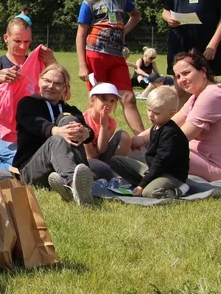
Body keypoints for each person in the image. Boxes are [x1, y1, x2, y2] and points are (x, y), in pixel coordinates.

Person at [75, 0, 144, 135]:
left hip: (117, 57)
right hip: (95, 56)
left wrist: (124, 32)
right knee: (100, 101)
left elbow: (135, 16)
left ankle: (145, 142)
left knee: (128, 97)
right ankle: (96, 143)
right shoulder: (89, 2)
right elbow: (81, 34)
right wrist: (83, 66)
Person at [129, 51, 221, 182]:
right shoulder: (197, 95)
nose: (181, 80)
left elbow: (180, 137)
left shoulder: (211, 95)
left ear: (203, 71)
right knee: (144, 149)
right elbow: (171, 123)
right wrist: (137, 139)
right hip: (196, 157)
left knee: (160, 151)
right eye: (177, 76)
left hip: (214, 166)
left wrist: (144, 141)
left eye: (186, 73)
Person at [13, 64, 97, 205]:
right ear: (39, 81)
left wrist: (85, 133)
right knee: (57, 140)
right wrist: (58, 131)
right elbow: (38, 125)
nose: (51, 86)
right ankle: (74, 184)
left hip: (57, 170)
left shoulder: (71, 110)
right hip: (30, 169)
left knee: (70, 121)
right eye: (47, 81)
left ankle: (66, 186)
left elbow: (89, 131)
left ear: (65, 88)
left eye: (58, 83)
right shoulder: (27, 104)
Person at [0, 17, 56, 170]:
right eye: (17, 41)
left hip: (34, 130)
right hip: (2, 135)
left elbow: (64, 96)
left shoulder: (38, 64)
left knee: (48, 161)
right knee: (26, 165)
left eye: (27, 42)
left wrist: (53, 63)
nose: (22, 47)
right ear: (6, 38)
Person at [110, 87, 191, 199]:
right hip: (154, 170)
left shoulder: (171, 133)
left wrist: (142, 185)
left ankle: (180, 189)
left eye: (156, 112)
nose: (150, 115)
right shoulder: (156, 126)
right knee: (116, 161)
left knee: (149, 193)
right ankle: (148, 183)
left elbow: (161, 162)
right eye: (149, 110)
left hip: (171, 175)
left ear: (171, 114)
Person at [82, 83, 131, 179]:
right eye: (104, 99)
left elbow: (101, 149)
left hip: (102, 157)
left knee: (124, 135)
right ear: (92, 100)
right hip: (87, 160)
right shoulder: (83, 119)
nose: (108, 103)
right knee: (94, 171)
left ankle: (116, 170)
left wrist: (104, 126)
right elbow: (91, 155)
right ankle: (101, 175)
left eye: (112, 101)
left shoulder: (111, 123)